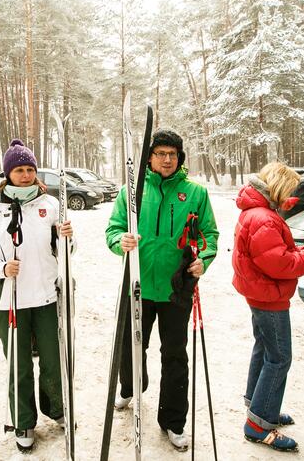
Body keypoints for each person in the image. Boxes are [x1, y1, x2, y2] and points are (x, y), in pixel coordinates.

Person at [104, 129, 219, 451]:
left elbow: (209, 234)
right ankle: (130, 387)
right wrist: (119, 241)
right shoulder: (133, 190)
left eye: (172, 154)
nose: (167, 159)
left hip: (175, 289)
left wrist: (203, 260)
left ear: (180, 157)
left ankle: (173, 420)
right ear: (150, 157)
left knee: (174, 355)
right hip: (137, 286)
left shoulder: (194, 193)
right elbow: (113, 228)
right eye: (160, 154)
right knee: (131, 347)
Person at [0, 139, 73, 453]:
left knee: (53, 360)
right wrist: (0, 267)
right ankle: (23, 419)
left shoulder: (51, 205)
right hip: (8, 299)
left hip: (46, 297)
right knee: (19, 364)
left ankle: (56, 408)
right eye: (19, 170)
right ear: (7, 173)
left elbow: (66, 253)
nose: (25, 175)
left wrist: (67, 239)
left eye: (30, 169)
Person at [232, 162, 304, 452]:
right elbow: (279, 264)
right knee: (279, 358)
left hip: (260, 293)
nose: (291, 195)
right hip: (269, 296)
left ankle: (258, 405)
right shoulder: (264, 217)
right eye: (289, 189)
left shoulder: (258, 212)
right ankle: (259, 424)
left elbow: (277, 253)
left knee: (264, 349)